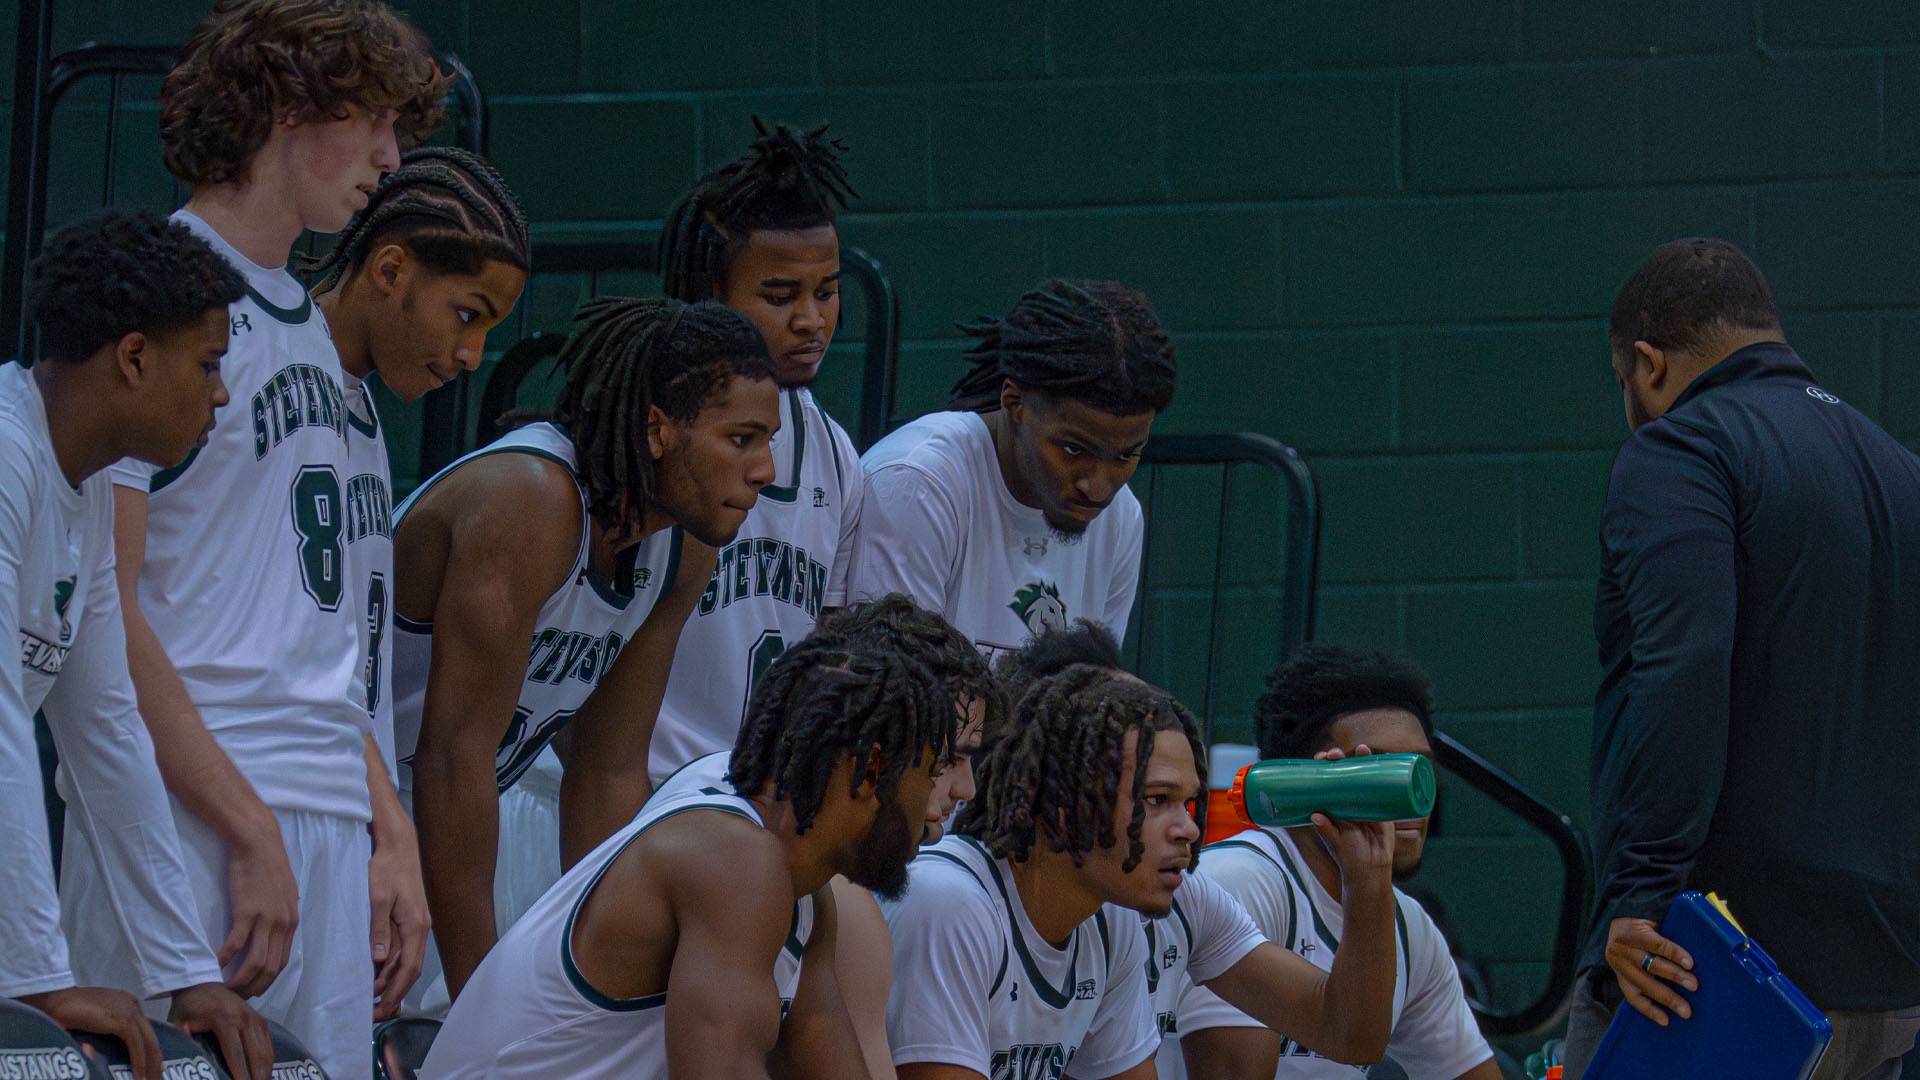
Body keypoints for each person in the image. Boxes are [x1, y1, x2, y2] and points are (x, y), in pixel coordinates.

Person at [62, 4, 445, 1075]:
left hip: (318, 809)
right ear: (286, 105)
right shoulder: (153, 296)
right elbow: (104, 605)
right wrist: (246, 826)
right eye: (372, 119)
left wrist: (392, 833)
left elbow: (322, 630)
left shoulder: (311, 334)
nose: (390, 157)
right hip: (191, 815)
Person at [1560, 238, 1920, 1080]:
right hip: (1887, 982)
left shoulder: (1681, 450)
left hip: (1712, 968)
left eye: (1624, 384)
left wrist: (1642, 896)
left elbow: (1681, 665)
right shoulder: (1903, 472)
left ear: (1648, 363)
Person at [391, 296, 779, 1004]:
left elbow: (607, 769)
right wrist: (483, 1004)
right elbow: (452, 759)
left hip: (436, 815)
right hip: (355, 798)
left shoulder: (681, 549)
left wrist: (598, 985)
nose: (766, 468)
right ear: (659, 429)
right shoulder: (531, 498)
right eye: (742, 438)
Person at [419, 596, 961, 1079]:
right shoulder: (735, 857)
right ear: (870, 773)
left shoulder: (806, 901)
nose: (940, 800)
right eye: (932, 770)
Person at [882, 623, 1396, 1080]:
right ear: (1065, 797)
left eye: (1188, 803)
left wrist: (1368, 877)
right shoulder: (948, 902)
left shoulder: (1112, 916)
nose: (1189, 830)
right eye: (1157, 800)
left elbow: (1353, 1038)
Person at [10, 210, 269, 1080]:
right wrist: (36, 980)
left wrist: (183, 973)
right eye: (207, 364)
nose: (221, 394)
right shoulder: (6, 459)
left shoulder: (76, 487)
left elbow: (107, 729)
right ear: (132, 358)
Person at [306, 143, 531, 1018]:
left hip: (337, 818)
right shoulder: (257, 363)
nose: (472, 354)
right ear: (391, 267)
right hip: (255, 805)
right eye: (465, 316)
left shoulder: (359, 411)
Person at [646, 118, 865, 787]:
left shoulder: (835, 454)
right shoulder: (647, 425)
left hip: (753, 801)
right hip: (638, 788)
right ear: (711, 291)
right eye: (779, 296)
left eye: (825, 292)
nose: (810, 319)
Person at [1172, 644, 1498, 1080]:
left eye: (1419, 768)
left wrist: (1367, 884)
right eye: (1379, 768)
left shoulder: (1409, 927)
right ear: (1309, 780)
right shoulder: (1240, 881)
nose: (1410, 797)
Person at [850, 278, 1175, 665]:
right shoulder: (917, 483)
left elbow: (1085, 704)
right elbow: (891, 703)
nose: (1098, 487)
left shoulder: (1120, 517)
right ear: (1014, 401)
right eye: (1073, 449)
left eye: (1126, 456)